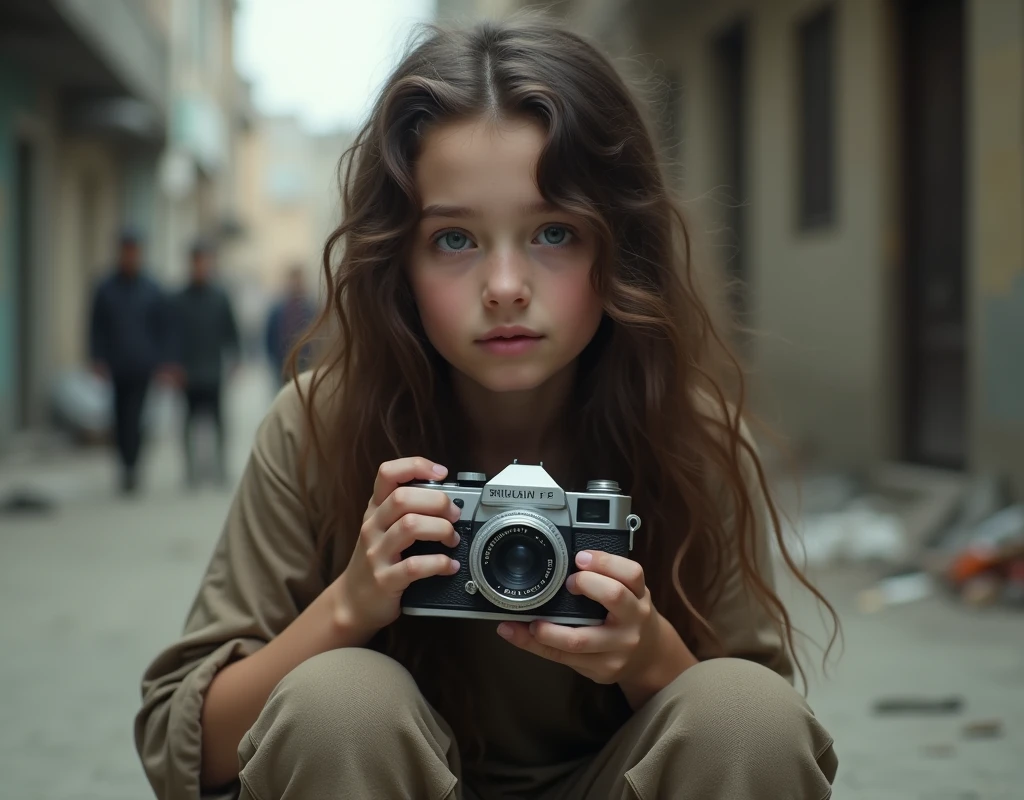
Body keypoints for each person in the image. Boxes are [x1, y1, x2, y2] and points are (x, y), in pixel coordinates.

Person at [134, 17, 840, 800]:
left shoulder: (691, 435)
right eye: (455, 241)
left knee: (743, 714)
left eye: (553, 231)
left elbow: (768, 737)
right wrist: (349, 606)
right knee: (338, 704)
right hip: (385, 774)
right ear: (396, 258)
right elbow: (186, 750)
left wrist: (649, 659)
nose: (505, 285)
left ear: (621, 247)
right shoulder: (317, 426)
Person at [89, 229, 175, 494]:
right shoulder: (106, 287)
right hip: (117, 365)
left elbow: (163, 328)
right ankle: (124, 465)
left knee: (136, 418)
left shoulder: (151, 288)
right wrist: (97, 358)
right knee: (119, 417)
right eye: (126, 251)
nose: (130, 257)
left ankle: (133, 467)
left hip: (143, 365)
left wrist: (164, 362)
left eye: (134, 251)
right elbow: (96, 326)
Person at [171, 240, 241, 487]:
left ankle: (219, 468)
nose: (201, 267)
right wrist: (173, 365)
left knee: (218, 423)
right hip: (188, 373)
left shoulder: (220, 297)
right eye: (197, 262)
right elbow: (172, 335)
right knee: (188, 424)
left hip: (213, 371)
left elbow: (231, 331)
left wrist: (235, 360)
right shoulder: (179, 299)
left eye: (204, 262)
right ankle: (191, 471)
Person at [263, 265, 315, 386]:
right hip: (283, 363)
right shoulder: (278, 309)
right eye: (294, 280)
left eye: (299, 280)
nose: (296, 284)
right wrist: (274, 360)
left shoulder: (311, 308)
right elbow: (269, 336)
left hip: (305, 362)